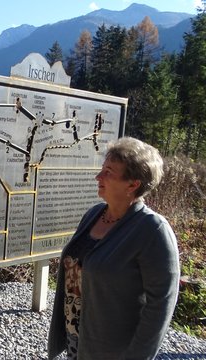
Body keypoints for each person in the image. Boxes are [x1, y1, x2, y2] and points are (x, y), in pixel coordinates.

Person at [47, 137, 180, 360]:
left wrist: (137, 356)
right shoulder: (93, 214)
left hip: (113, 350)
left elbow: (161, 304)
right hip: (77, 340)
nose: (98, 177)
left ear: (133, 184)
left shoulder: (153, 230)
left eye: (108, 171)